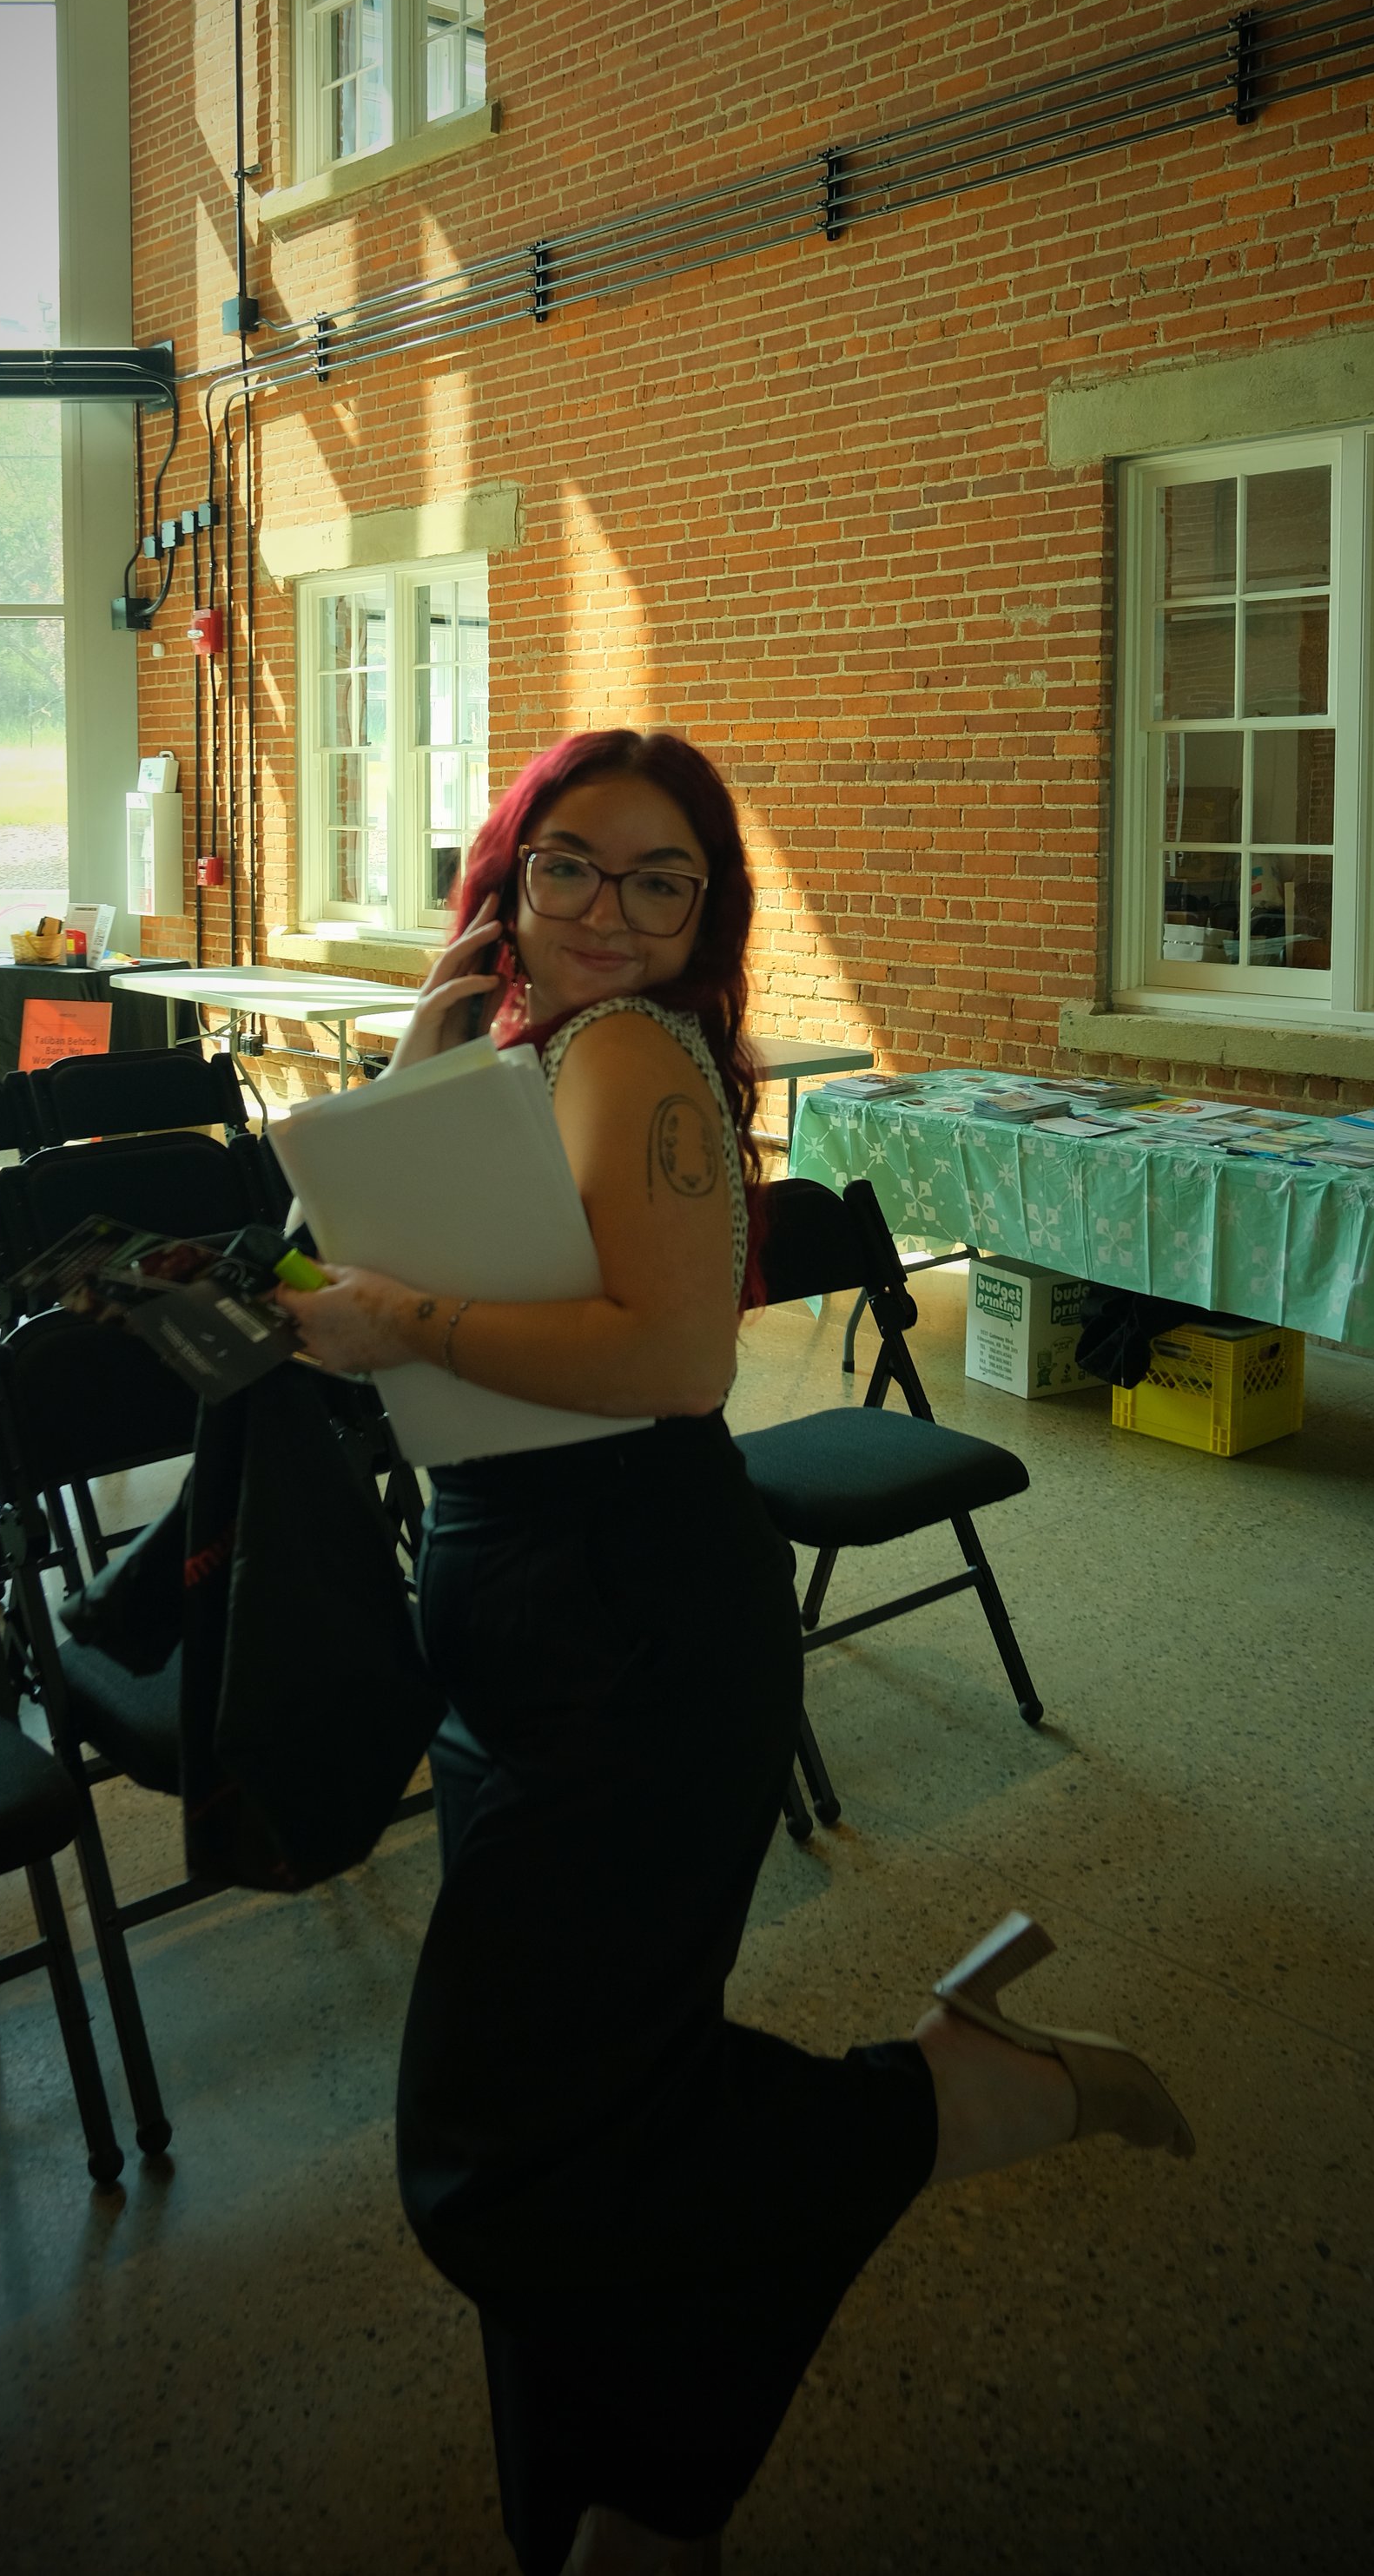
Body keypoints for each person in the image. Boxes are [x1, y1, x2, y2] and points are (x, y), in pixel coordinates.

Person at [281, 729, 1192, 2576]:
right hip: (535, 1618)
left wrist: (413, 1319)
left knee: (495, 2158)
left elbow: (672, 1361)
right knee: (600, 2120)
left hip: (628, 1634)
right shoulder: (531, 1049)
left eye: (659, 878)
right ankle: (618, 2520)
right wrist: (413, 1071)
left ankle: (946, 2098)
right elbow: (326, 1278)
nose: (607, 911)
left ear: (706, 912)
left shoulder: (629, 1051)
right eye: (569, 864)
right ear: (507, 876)